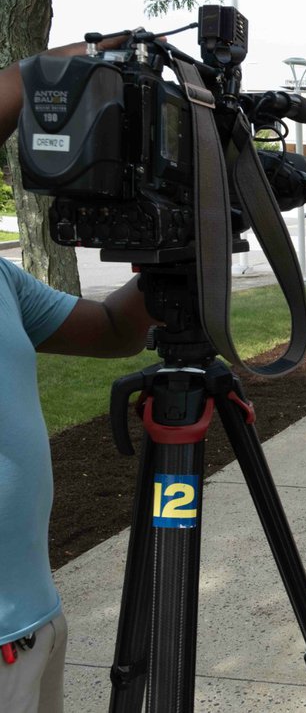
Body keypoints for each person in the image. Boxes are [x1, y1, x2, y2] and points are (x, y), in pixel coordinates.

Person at [0, 46, 157, 712]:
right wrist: (71, 67)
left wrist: (184, 247)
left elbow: (115, 330)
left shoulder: (3, 279)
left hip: (33, 624)